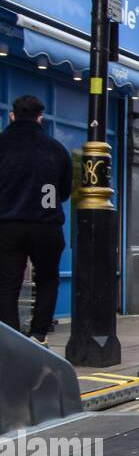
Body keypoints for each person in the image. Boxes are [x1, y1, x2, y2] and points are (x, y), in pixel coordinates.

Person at [0, 95, 72, 343]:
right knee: (48, 278)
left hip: (8, 224)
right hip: (46, 225)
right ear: (40, 117)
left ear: (12, 115)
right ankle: (39, 334)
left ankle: (10, 338)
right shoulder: (56, 149)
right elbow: (64, 192)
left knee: (8, 281)